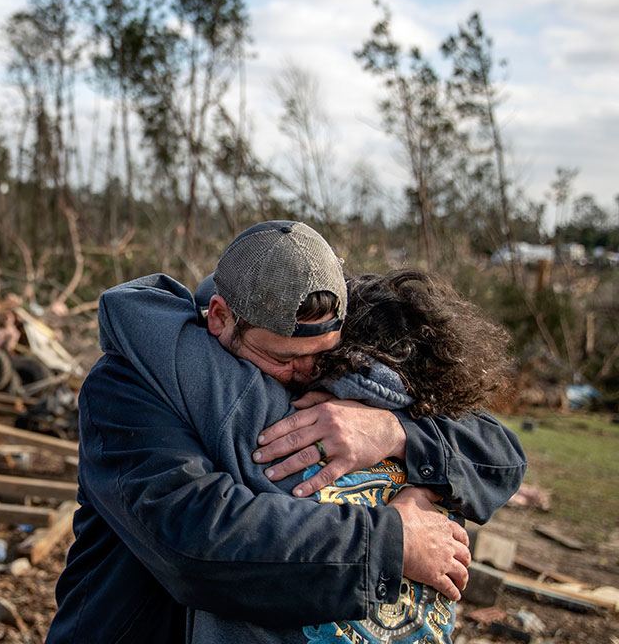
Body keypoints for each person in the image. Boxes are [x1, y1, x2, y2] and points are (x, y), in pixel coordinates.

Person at [48, 221, 526, 643]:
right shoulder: (130, 387)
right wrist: (393, 542)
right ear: (220, 317)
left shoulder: (336, 346)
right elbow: (192, 539)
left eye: (322, 355)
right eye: (282, 358)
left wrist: (395, 431)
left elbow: (498, 450)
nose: (306, 373)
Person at [170, 268, 517, 643]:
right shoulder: (439, 420)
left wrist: (394, 432)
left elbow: (506, 456)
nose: (299, 369)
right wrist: (399, 535)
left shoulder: (263, 418)